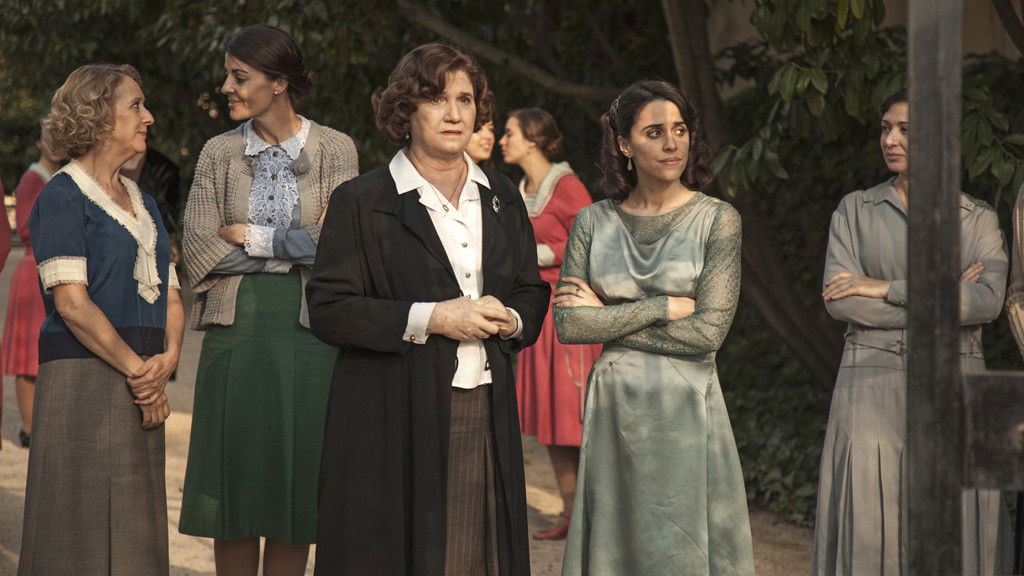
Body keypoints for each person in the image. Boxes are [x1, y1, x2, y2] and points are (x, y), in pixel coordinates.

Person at [306, 43, 550, 576]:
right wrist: (433, 318)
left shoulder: (502, 195)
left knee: (476, 556)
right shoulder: (361, 200)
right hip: (389, 410)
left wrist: (512, 320)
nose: (454, 113)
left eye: (465, 99)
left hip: (485, 402)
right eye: (437, 98)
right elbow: (329, 310)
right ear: (406, 109)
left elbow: (531, 290)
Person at [553, 79, 754, 575]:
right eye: (655, 132)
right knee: (617, 545)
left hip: (686, 404)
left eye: (680, 130)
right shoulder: (591, 222)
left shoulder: (719, 220)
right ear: (624, 144)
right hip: (614, 405)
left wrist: (605, 319)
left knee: (681, 546)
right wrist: (661, 307)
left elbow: (708, 334)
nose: (671, 143)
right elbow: (567, 325)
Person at [178, 24, 358, 576]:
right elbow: (198, 250)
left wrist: (252, 238)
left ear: (279, 83)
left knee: (295, 488)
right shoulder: (217, 152)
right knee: (232, 487)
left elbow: (339, 248)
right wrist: (296, 248)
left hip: (310, 336)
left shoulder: (336, 149)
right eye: (228, 76)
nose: (226, 87)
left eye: (240, 77)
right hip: (234, 333)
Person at [813, 88, 1010, 575]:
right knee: (869, 524)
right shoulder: (854, 210)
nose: (890, 139)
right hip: (868, 384)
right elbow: (842, 301)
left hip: (955, 384)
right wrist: (945, 297)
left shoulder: (978, 218)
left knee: (958, 523)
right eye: (885, 128)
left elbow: (987, 302)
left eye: (906, 129)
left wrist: (885, 288)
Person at [18, 63, 182, 576]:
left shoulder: (145, 203)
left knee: (136, 526)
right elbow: (72, 304)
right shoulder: (62, 196)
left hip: (143, 377)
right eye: (136, 105)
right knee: (75, 530)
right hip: (84, 379)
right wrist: (143, 376)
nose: (148, 117)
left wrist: (169, 359)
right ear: (97, 116)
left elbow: (172, 292)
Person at [498, 107, 601, 540]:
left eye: (510, 133)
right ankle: (572, 515)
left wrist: (533, 256)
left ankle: (602, 519)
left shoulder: (568, 184)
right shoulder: (518, 189)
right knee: (553, 423)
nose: (502, 140)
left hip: (572, 312)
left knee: (580, 418)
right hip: (538, 314)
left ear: (534, 139)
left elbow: (593, 242)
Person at [3, 123, 62, 449]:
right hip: (33, 269)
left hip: (51, 268)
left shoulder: (59, 177)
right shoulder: (32, 178)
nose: (54, 144)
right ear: (39, 142)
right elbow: (25, 228)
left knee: (47, 351)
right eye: (48, 138)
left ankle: (43, 423)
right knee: (28, 354)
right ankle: (28, 427)